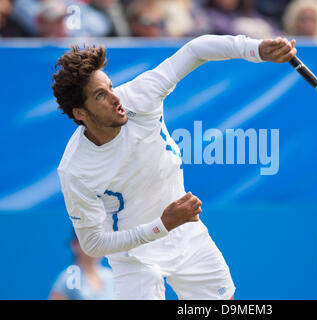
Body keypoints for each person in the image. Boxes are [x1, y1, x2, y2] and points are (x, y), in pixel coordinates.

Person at [53, 34, 296, 300]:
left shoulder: (138, 97)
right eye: (101, 95)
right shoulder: (76, 170)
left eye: (111, 86)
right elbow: (93, 243)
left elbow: (196, 50)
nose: (115, 98)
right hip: (133, 254)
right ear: (80, 113)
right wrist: (162, 225)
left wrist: (255, 49)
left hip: (185, 231)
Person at [49, 233, 115, 300]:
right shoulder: (67, 280)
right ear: (75, 245)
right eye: (90, 242)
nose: (95, 246)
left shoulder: (111, 276)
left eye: (99, 242)